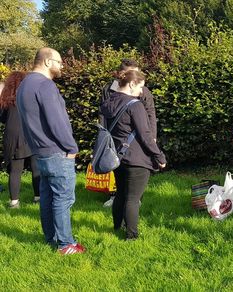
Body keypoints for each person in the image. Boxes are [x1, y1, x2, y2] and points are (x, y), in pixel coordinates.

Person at [16, 47, 85, 255]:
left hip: (40, 152)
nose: (61, 66)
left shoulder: (24, 85)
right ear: (47, 62)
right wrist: (71, 147)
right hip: (57, 151)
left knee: (47, 197)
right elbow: (57, 121)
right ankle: (65, 244)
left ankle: (51, 238)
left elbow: (26, 122)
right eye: (59, 62)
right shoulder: (45, 85)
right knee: (63, 199)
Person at [100, 70, 166, 240]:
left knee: (120, 193)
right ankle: (131, 235)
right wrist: (159, 156)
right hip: (137, 157)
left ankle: (117, 226)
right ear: (131, 84)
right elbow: (145, 134)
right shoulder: (135, 105)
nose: (141, 92)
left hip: (117, 156)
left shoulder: (108, 102)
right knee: (133, 198)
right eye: (140, 87)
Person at [101, 59, 157, 207]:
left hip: (138, 134)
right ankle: (115, 196)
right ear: (122, 74)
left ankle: (135, 198)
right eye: (134, 72)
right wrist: (103, 135)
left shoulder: (143, 90)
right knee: (116, 164)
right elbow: (103, 114)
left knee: (137, 166)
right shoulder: (108, 89)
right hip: (116, 136)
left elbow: (150, 113)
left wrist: (152, 136)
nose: (137, 76)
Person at [0, 71, 41, 208]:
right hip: (31, 133)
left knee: (15, 170)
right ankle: (38, 197)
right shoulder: (31, 95)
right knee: (36, 168)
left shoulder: (6, 98)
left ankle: (14, 202)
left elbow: (2, 118)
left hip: (13, 135)